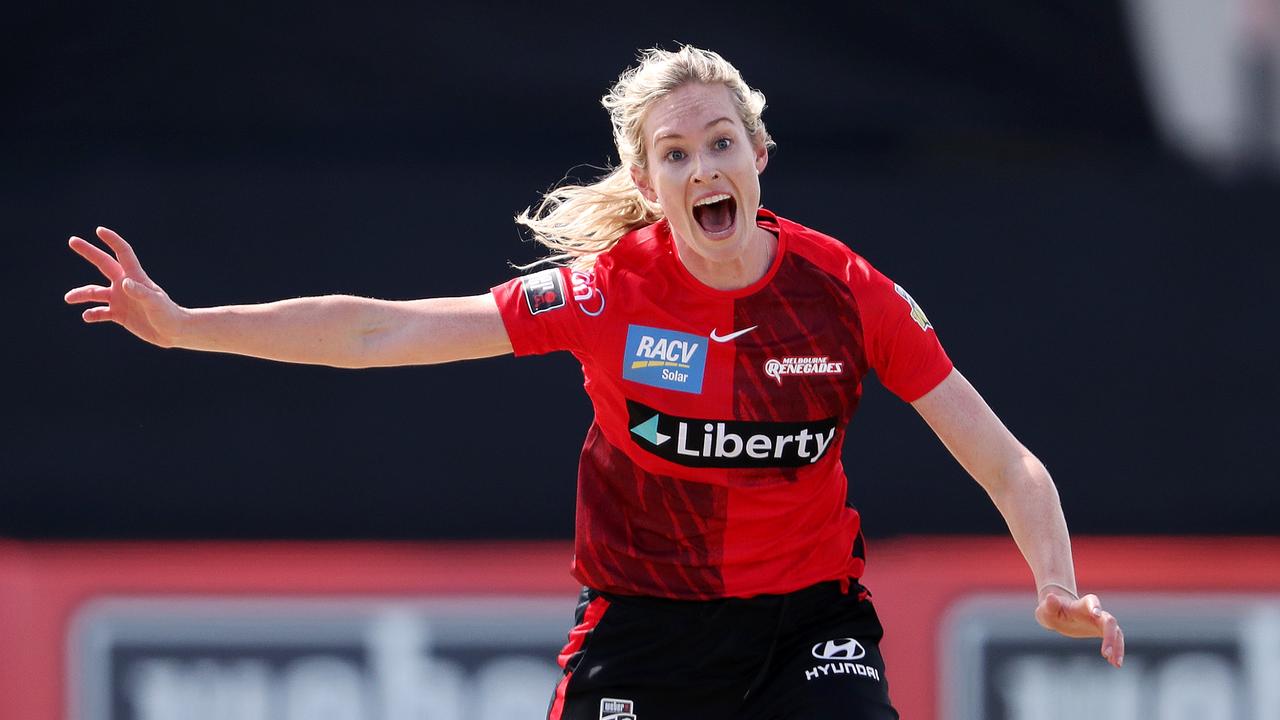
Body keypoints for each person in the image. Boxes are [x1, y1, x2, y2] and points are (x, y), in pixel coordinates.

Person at [65, 45, 1123, 719]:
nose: (704, 167)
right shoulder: (607, 293)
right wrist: (186, 327)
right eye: (675, 154)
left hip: (806, 626)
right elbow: (380, 333)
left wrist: (1053, 579)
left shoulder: (845, 294)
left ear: (758, 154)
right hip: (643, 633)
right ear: (646, 182)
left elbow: (1003, 460)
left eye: (721, 143)